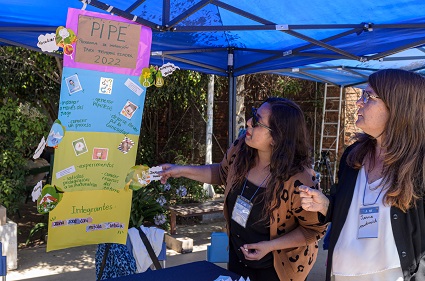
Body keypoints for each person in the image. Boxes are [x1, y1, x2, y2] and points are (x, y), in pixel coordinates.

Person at [160, 97, 327, 281]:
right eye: (253, 113)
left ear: (277, 137)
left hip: (278, 269)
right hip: (238, 257)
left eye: (257, 121)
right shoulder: (241, 149)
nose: (249, 122)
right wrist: (181, 170)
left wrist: (270, 246)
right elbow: (222, 173)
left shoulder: (300, 180)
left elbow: (313, 230)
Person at [299, 69, 425, 281]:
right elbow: (348, 208)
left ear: (397, 107)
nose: (359, 102)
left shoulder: (419, 165)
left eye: (368, 97)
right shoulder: (353, 156)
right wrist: (324, 205)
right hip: (343, 273)